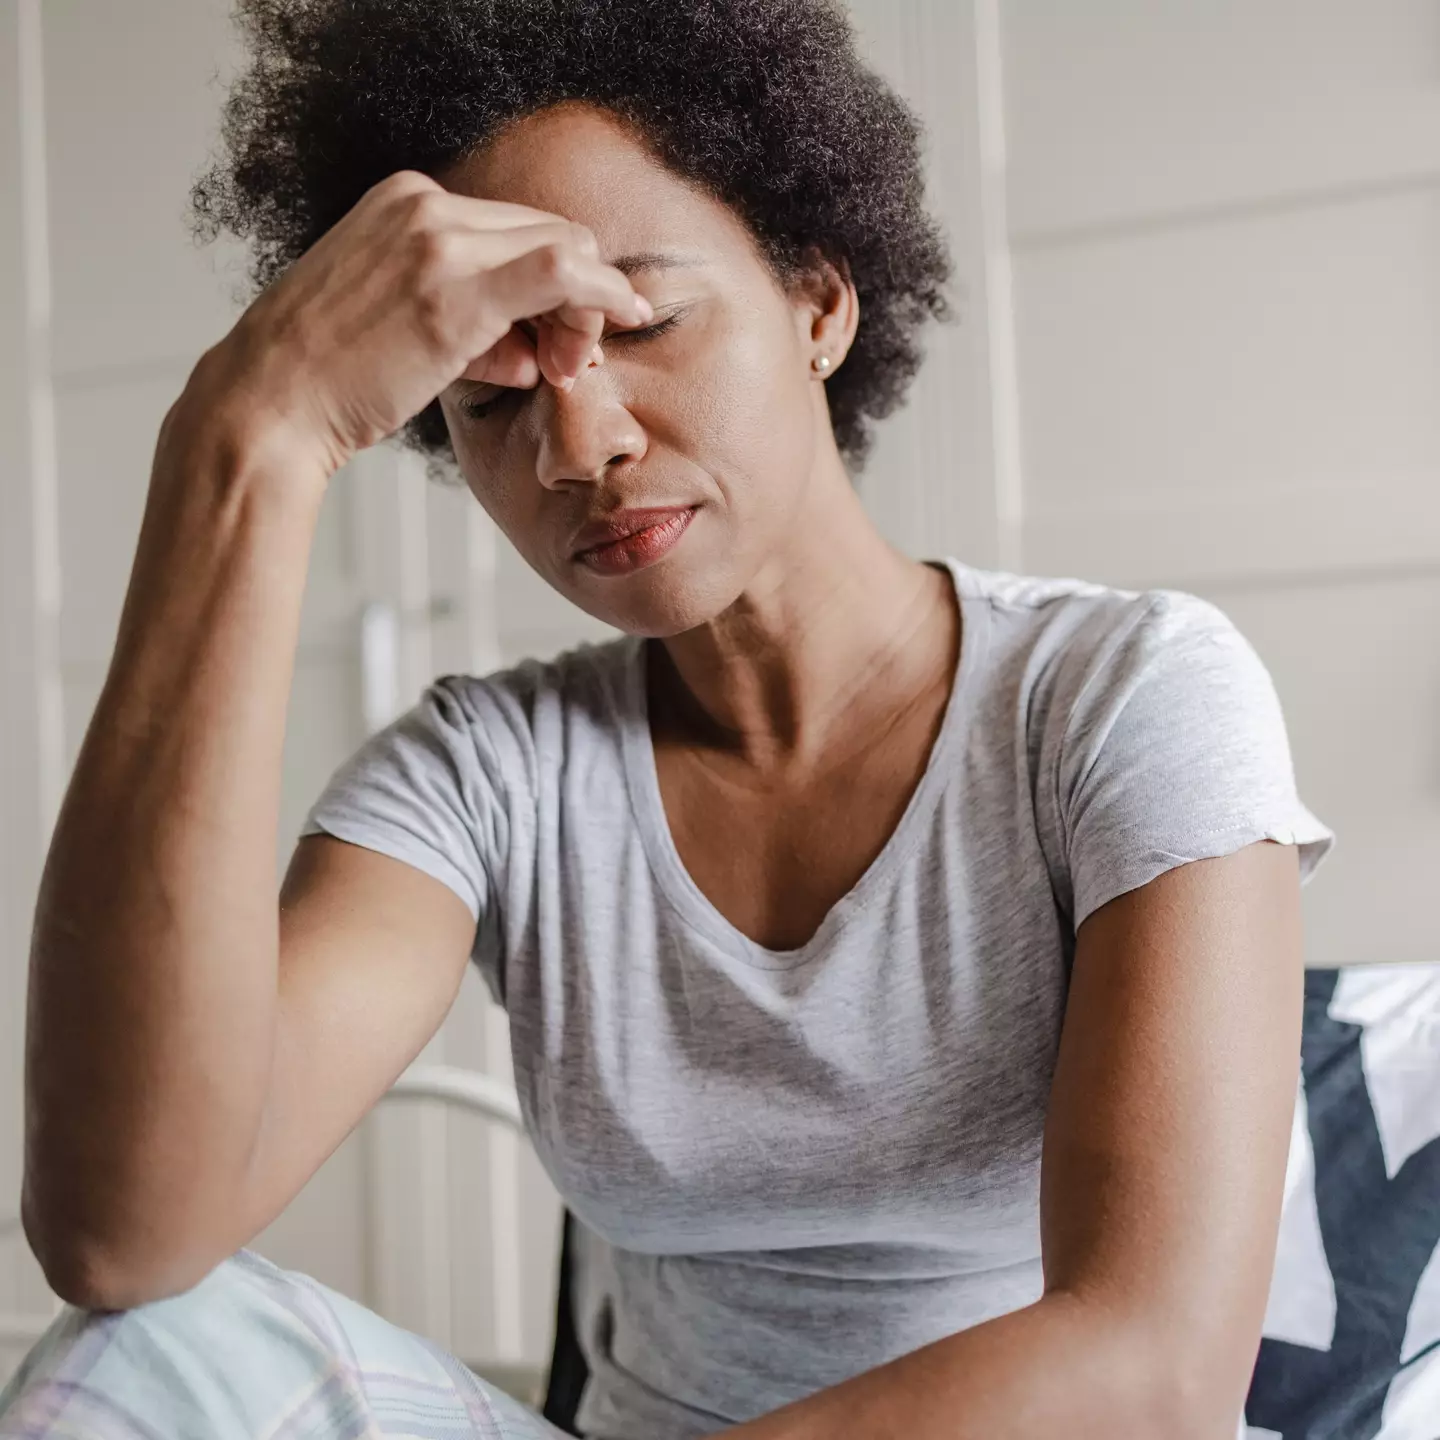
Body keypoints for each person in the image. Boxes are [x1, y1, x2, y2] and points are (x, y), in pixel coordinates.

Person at [2, 2, 1332, 1437]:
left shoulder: (1123, 694)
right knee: (135, 1356)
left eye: (642, 325)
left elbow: (1156, 1371)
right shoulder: (488, 777)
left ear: (819, 303)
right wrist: (246, 435)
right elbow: (127, 1236)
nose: (582, 447)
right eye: (493, 399)